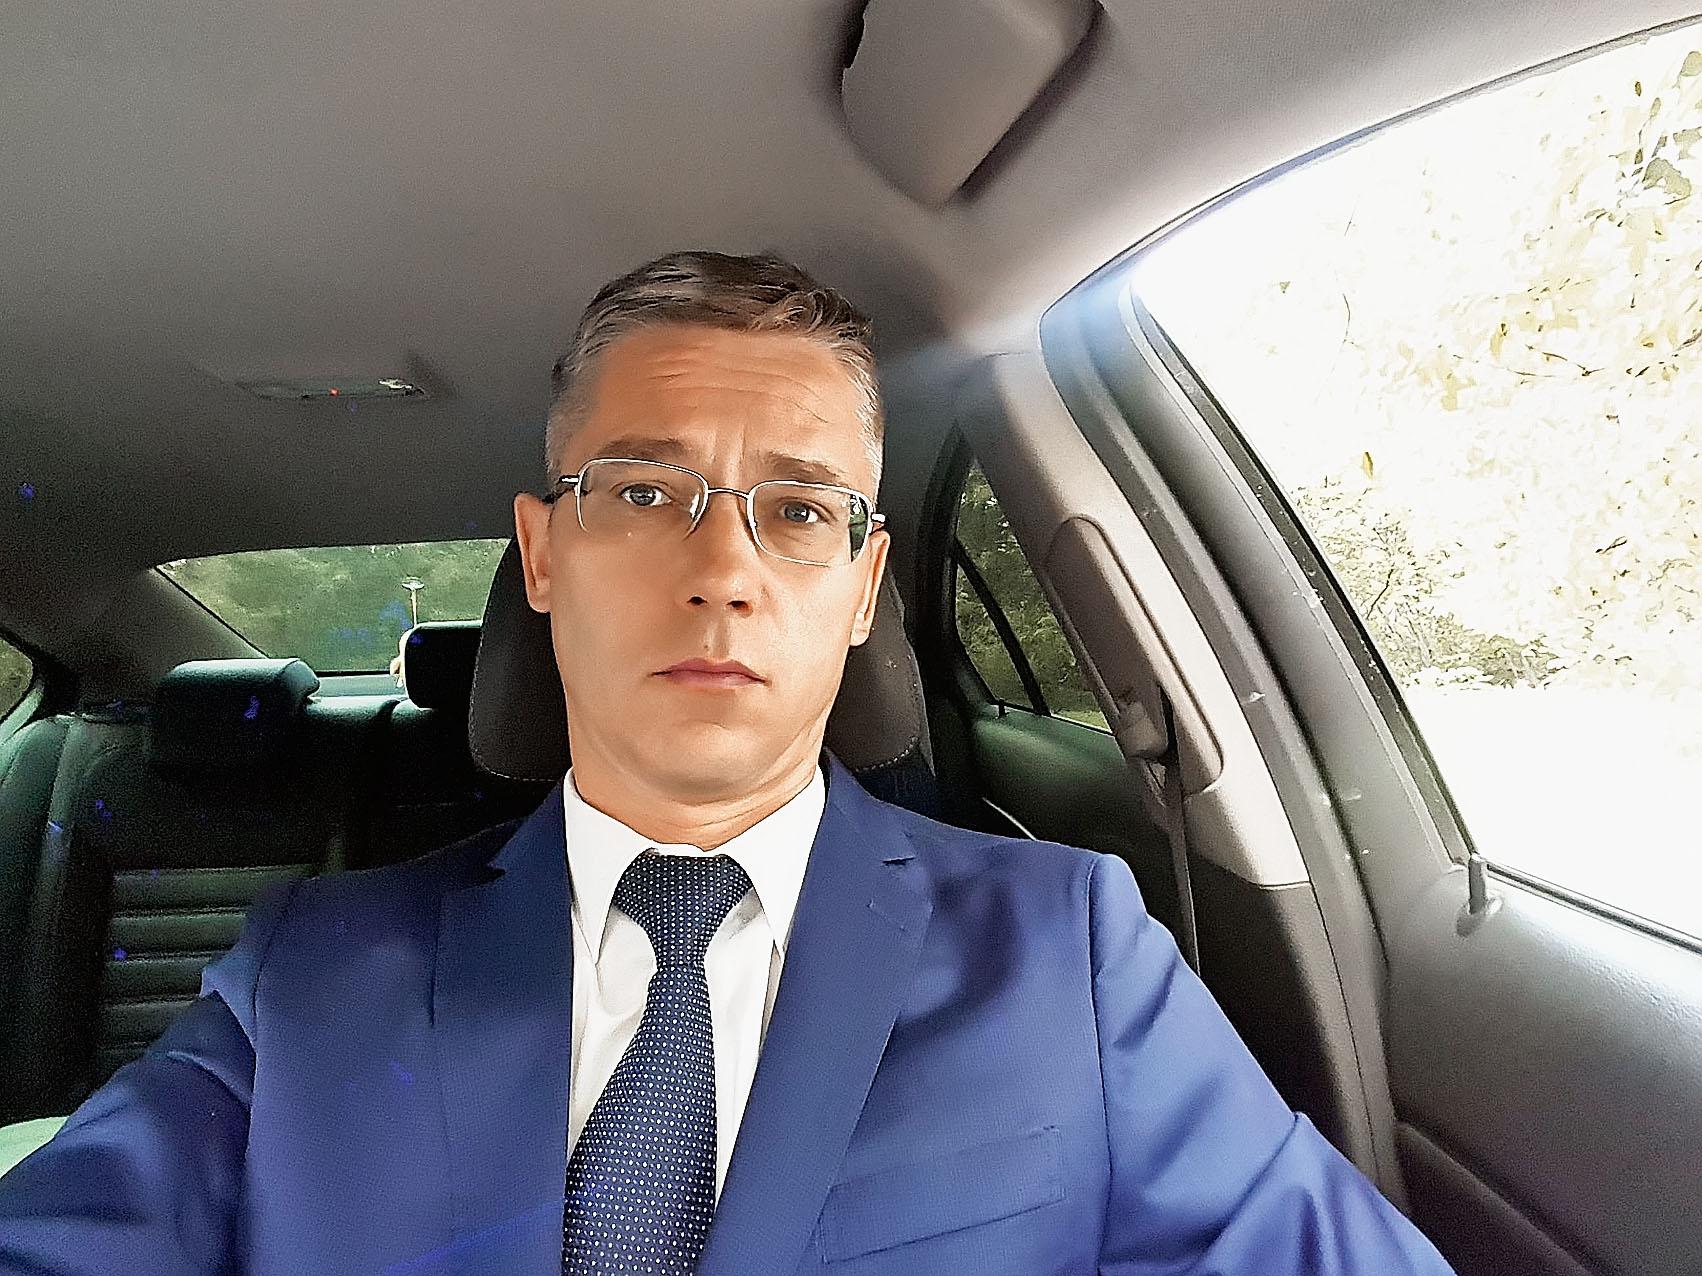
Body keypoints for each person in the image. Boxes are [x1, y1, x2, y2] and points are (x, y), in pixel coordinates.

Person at [0, 251, 1455, 1274]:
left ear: (862, 585)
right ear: (543, 555)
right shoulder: (309, 973)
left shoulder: (1067, 950)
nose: (725, 571)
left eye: (801, 511)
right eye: (646, 493)